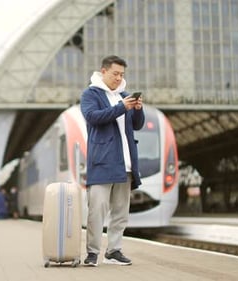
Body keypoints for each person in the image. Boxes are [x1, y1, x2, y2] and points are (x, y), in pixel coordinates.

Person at [80, 55, 144, 266]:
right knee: (96, 210)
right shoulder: (90, 94)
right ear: (103, 71)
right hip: (102, 162)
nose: (119, 78)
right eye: (115, 73)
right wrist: (121, 108)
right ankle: (92, 253)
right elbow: (93, 117)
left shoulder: (124, 96)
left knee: (120, 212)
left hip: (125, 163)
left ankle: (114, 251)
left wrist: (137, 109)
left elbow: (137, 125)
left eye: (122, 75)